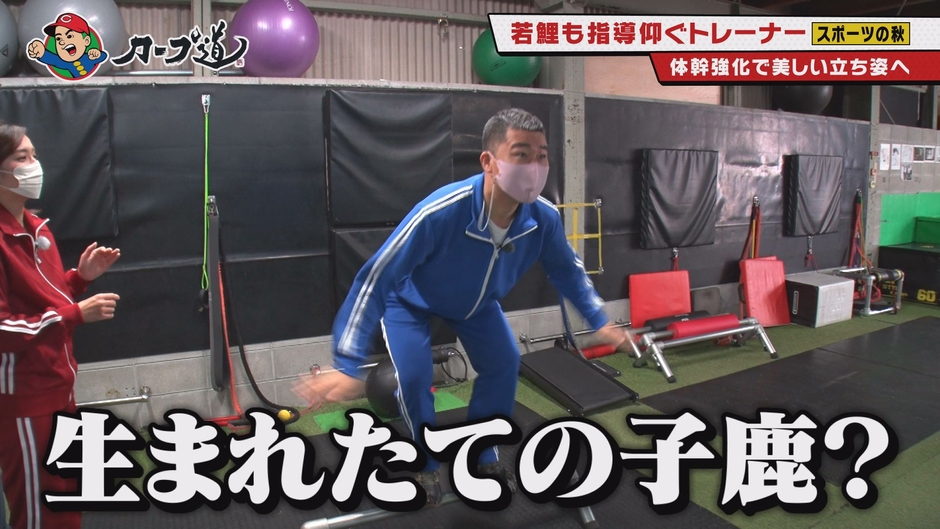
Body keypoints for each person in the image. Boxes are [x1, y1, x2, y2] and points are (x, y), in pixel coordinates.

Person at [296, 108, 632, 505]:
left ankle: (484, 454)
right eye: (521, 154)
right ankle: (424, 463)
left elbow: (568, 271)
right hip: (409, 301)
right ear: (489, 162)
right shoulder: (440, 212)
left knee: (504, 363)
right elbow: (375, 278)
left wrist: (599, 319)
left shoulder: (542, 218)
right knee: (414, 378)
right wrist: (347, 360)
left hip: (475, 305)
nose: (535, 167)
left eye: (542, 156)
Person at [0, 121, 121, 529]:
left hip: (59, 389)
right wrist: (75, 313)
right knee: (39, 512)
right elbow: (3, 329)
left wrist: (79, 279)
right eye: (21, 157)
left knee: (66, 501)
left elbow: (44, 300)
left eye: (34, 155)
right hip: (24, 401)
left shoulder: (37, 229)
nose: (34, 165)